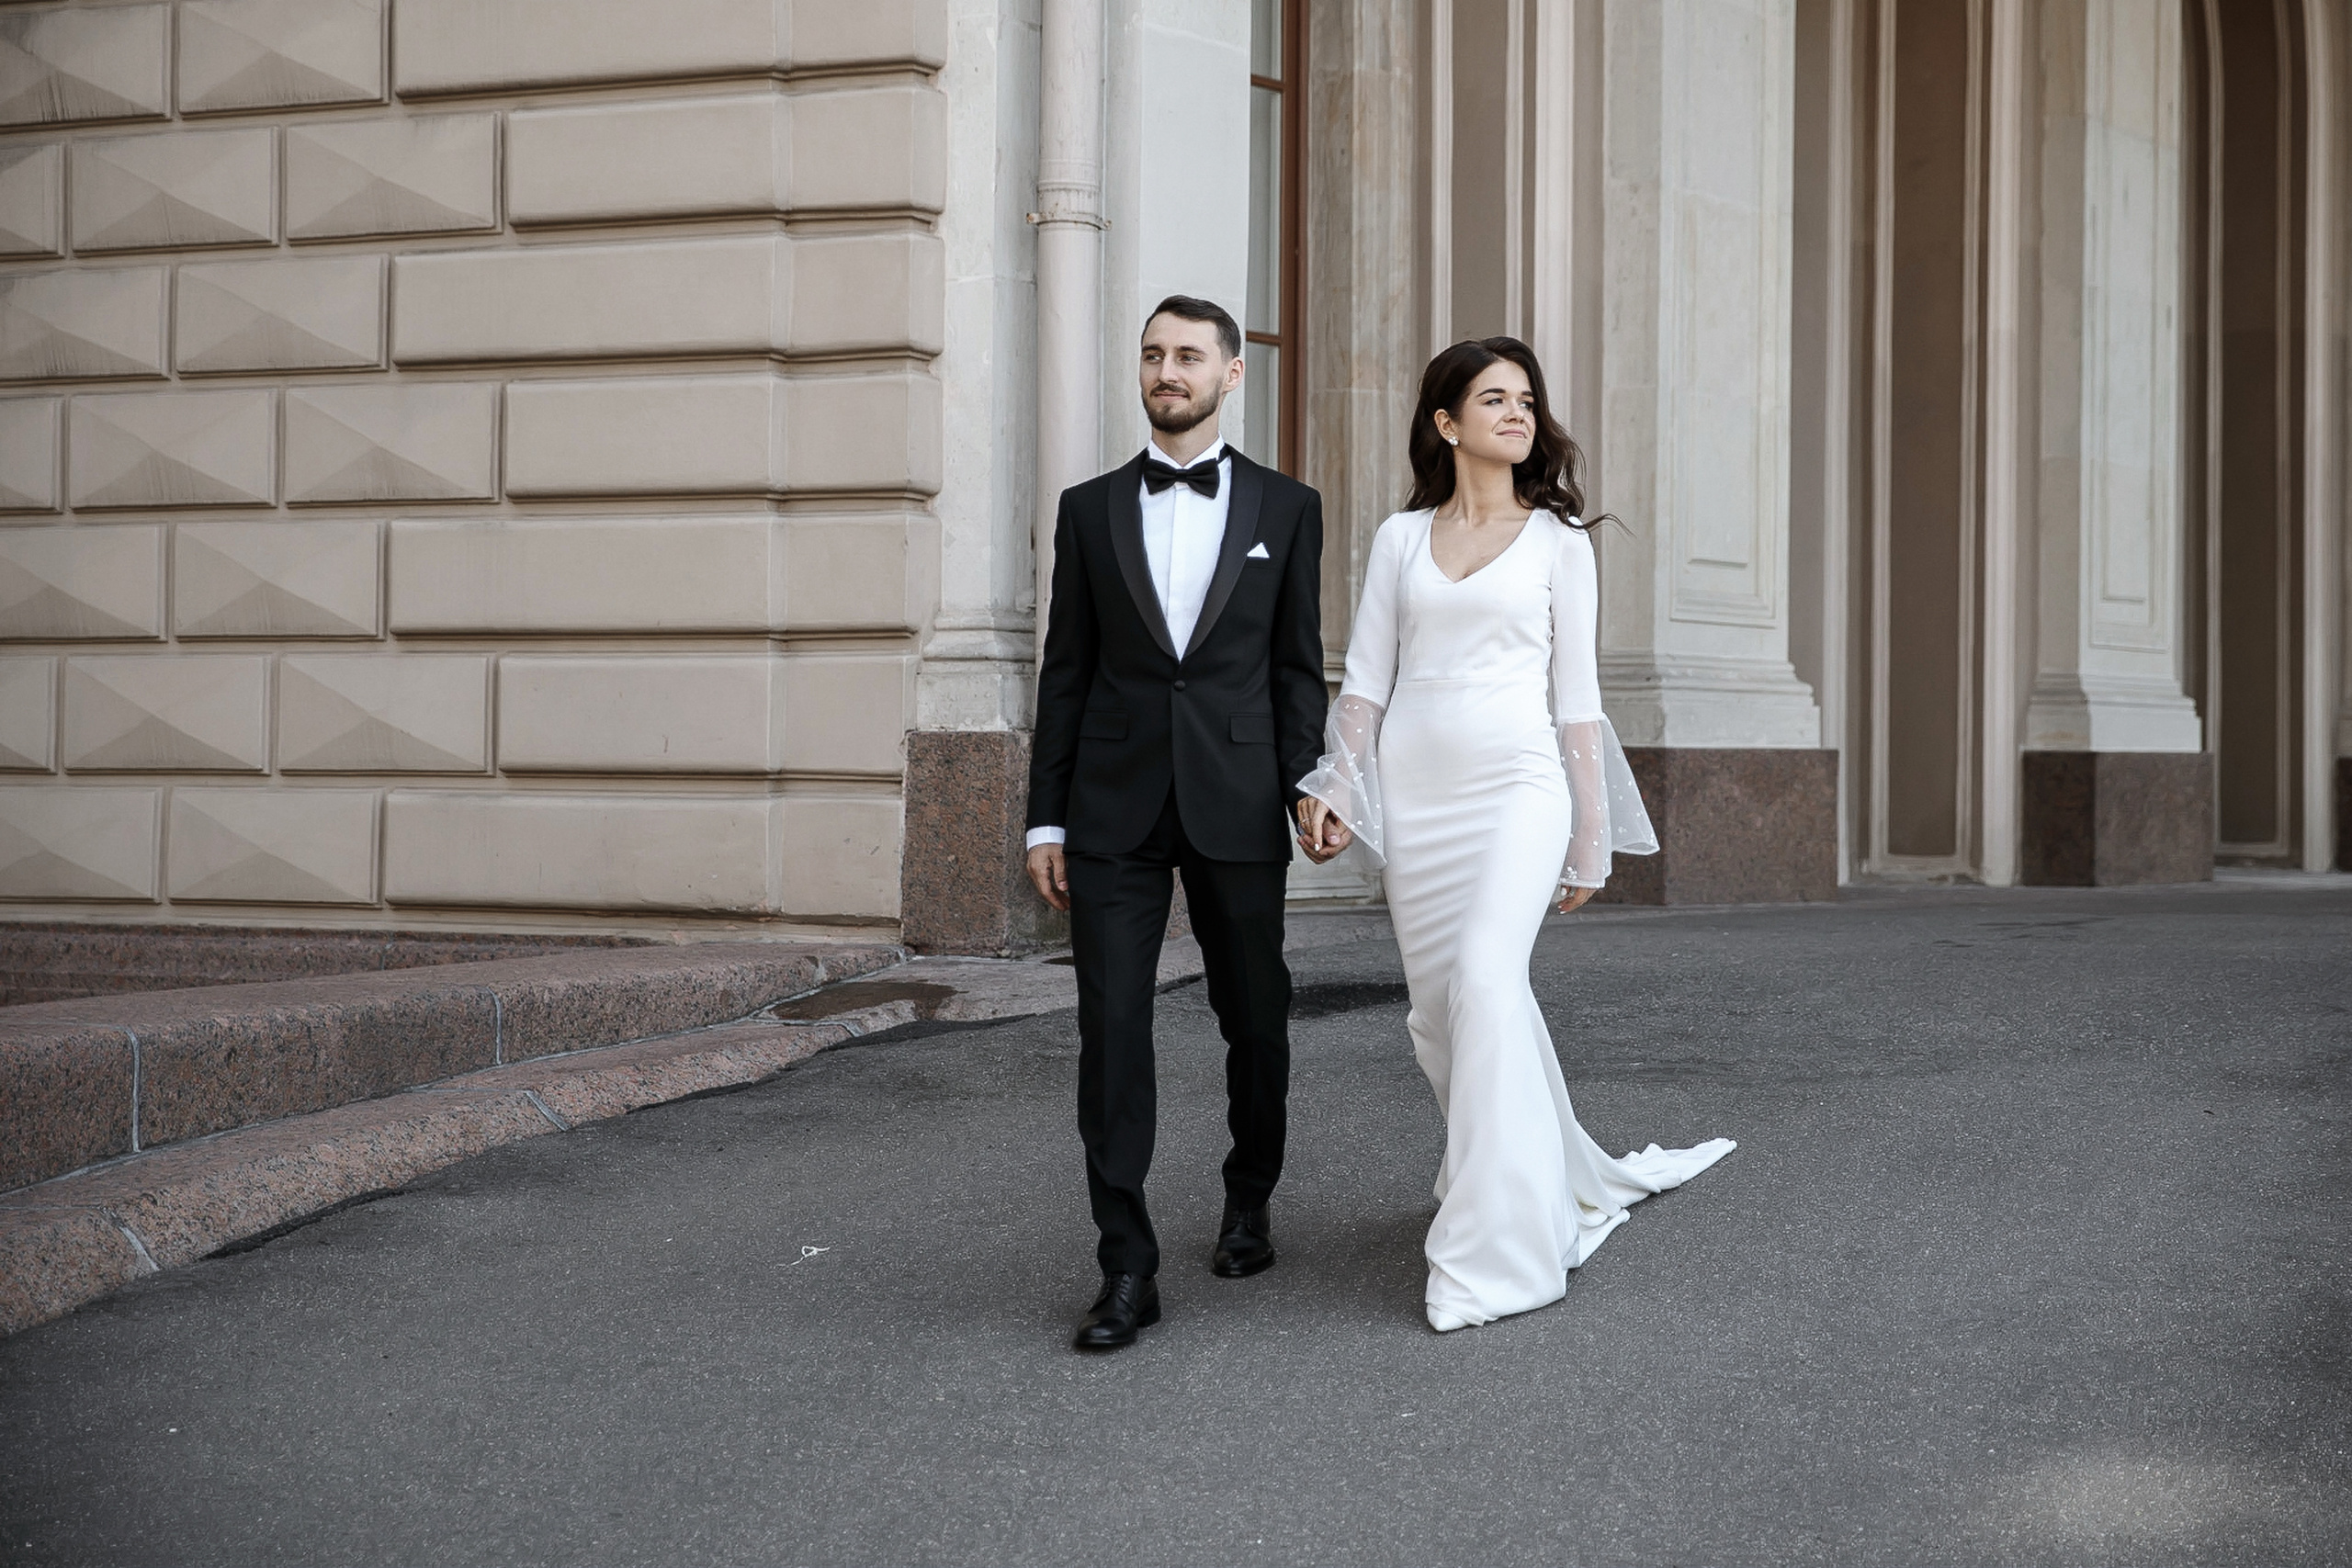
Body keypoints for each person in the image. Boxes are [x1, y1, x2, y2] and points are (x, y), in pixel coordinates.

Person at [1296, 336, 1734, 1332]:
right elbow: (1364, 683)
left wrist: (1588, 839)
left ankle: (1494, 1255)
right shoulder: (1400, 540)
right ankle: (1522, 1180)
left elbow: (1575, 705)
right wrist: (1335, 787)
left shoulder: (1558, 544)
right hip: (1417, 794)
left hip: (1518, 787)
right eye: (1492, 399)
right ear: (1445, 423)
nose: (1516, 414)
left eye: (1526, 400)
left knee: (1489, 982)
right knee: (1439, 1013)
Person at [1025, 295, 1331, 1352]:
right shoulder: (1089, 508)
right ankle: (1125, 1264)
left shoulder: (1289, 510)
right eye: (1154, 354)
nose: (1168, 369)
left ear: (1230, 374)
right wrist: (1043, 821)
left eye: (1189, 355)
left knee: (1255, 1014)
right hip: (1111, 807)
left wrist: (1311, 784)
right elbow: (1064, 674)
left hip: (1239, 797)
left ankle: (1249, 1196)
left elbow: (1297, 670)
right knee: (1110, 1031)